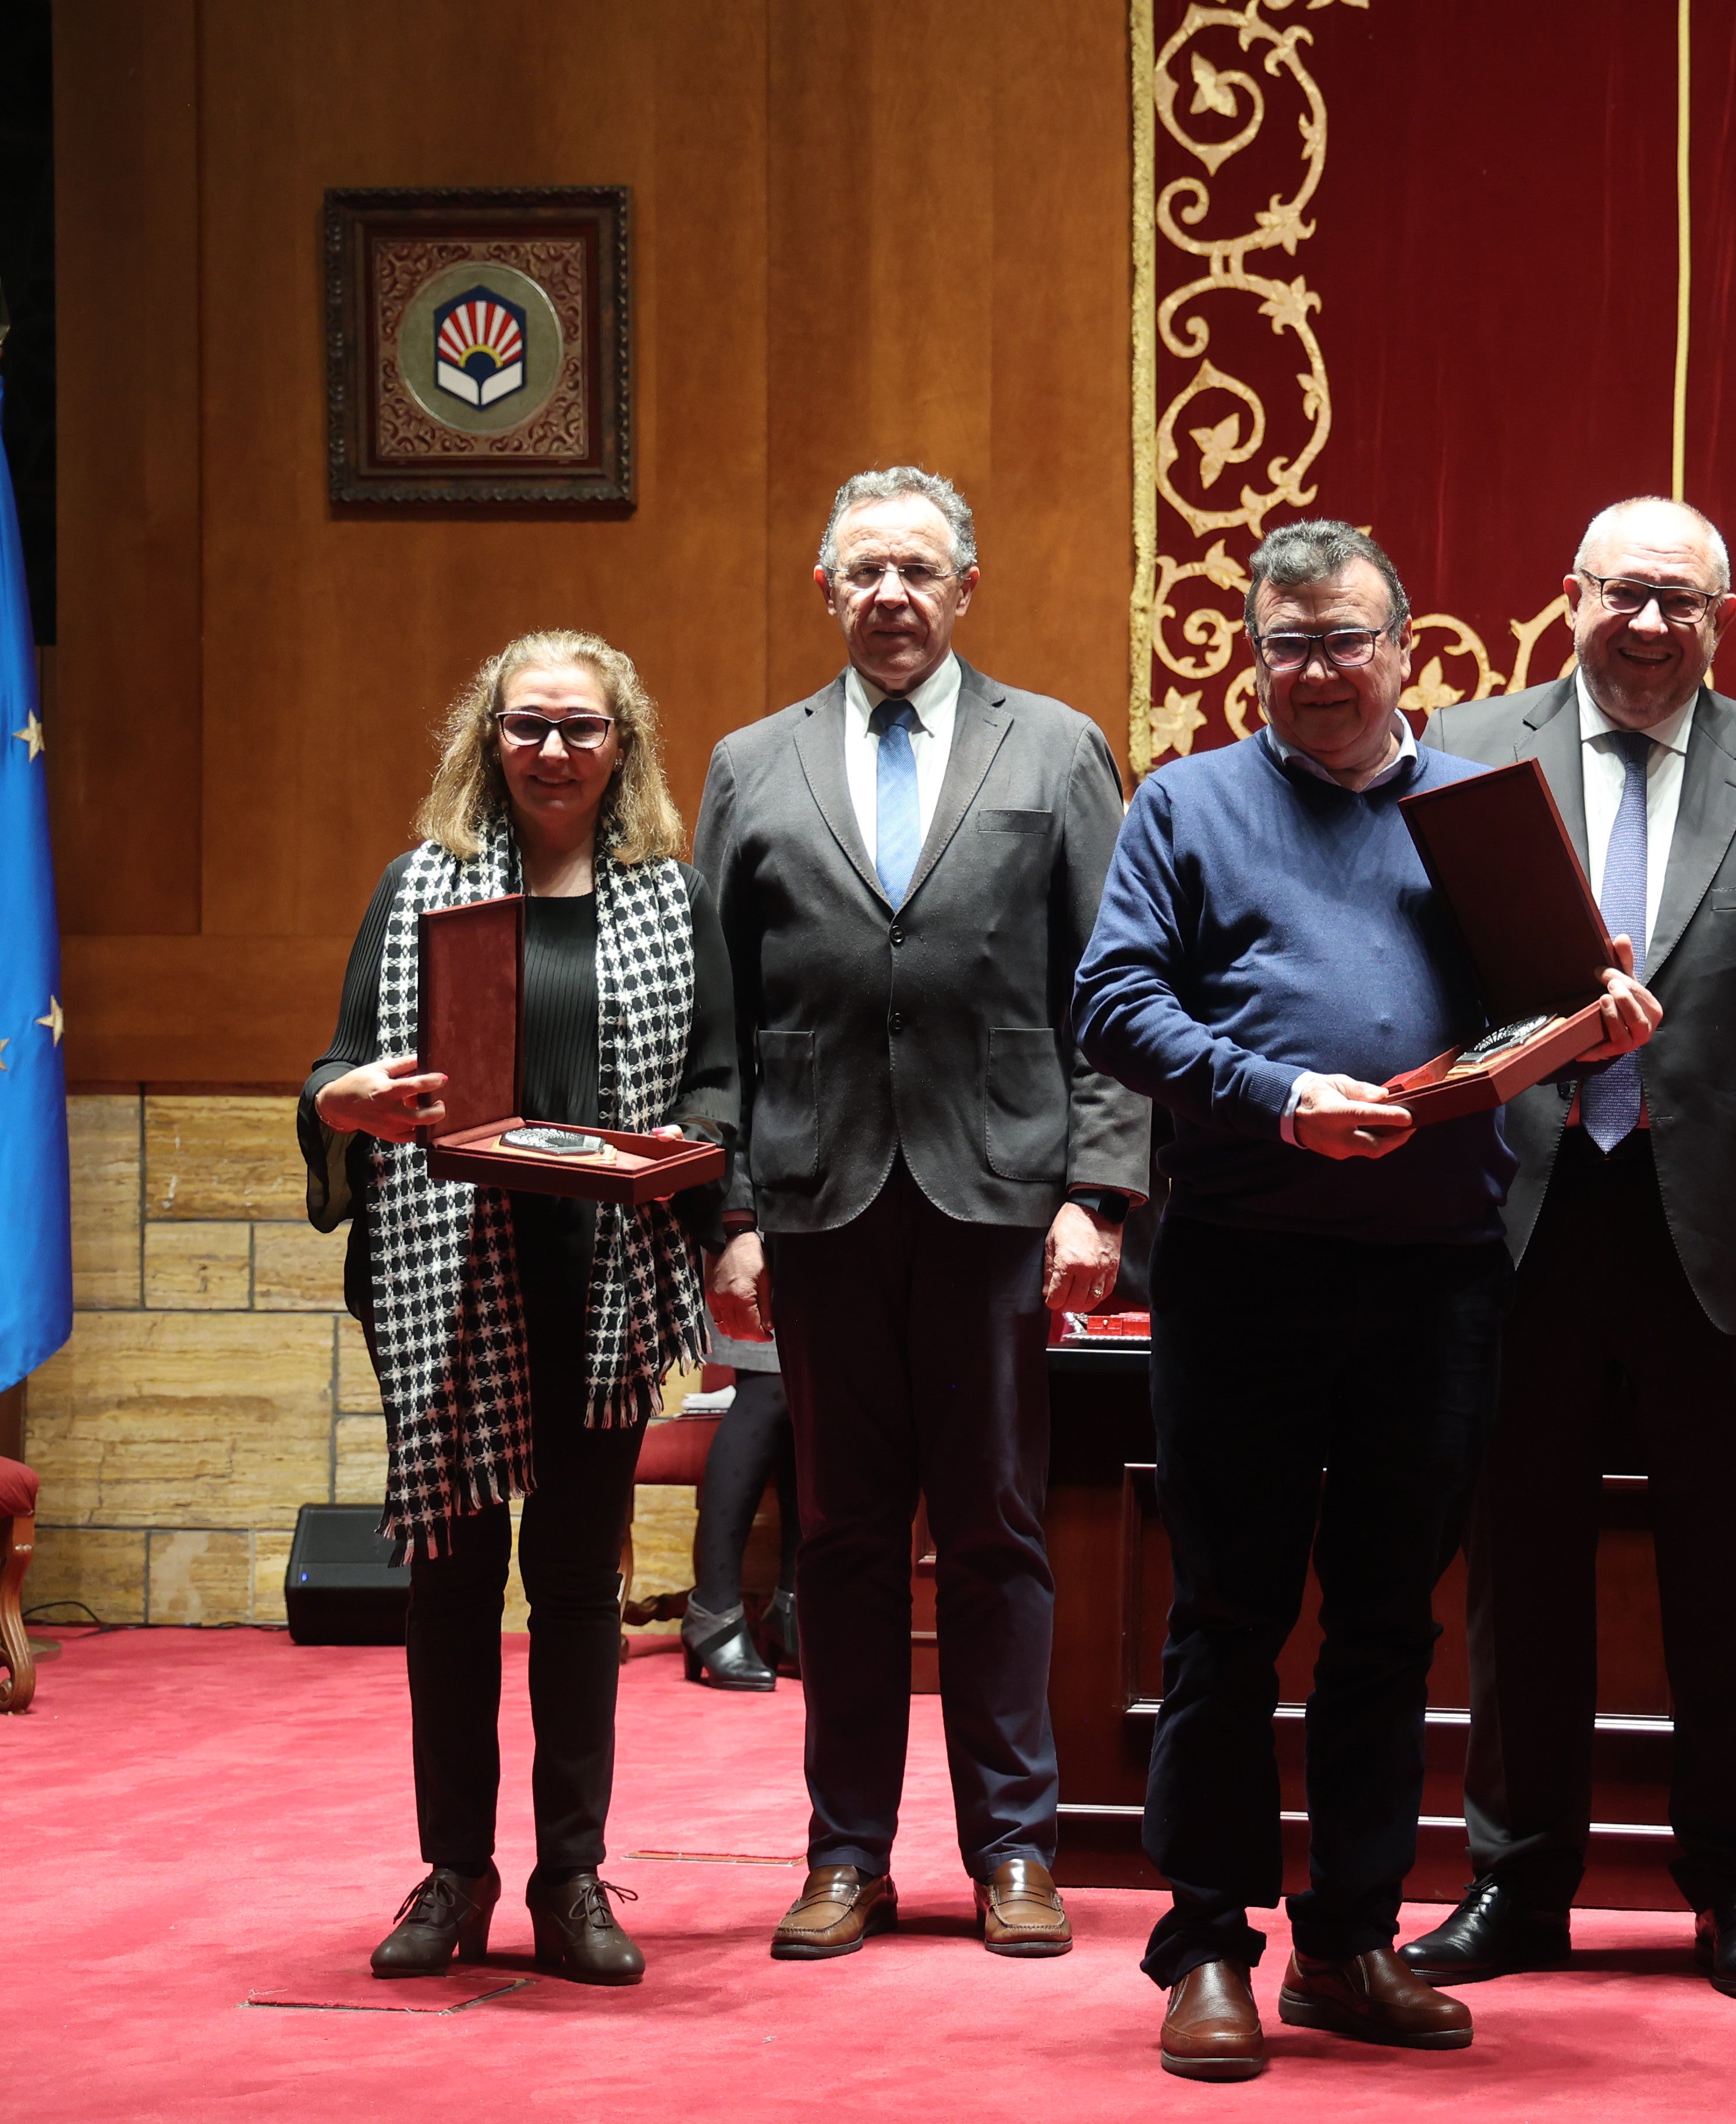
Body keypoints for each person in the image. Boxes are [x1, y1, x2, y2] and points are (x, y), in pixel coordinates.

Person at [1073, 518, 1660, 2082]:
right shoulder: (1185, 805)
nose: (1317, 671)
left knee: (1391, 1625)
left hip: (1439, 1280)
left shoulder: (1476, 813)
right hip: (1247, 1269)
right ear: (1250, 656)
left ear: (1410, 650)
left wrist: (1596, 1023)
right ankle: (1206, 1945)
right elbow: (1112, 1003)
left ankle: (1348, 1939)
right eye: (1287, 644)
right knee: (1228, 1617)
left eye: (1344, 640)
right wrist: (1272, 1095)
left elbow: (1549, 1006)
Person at [1406, 498, 1736, 2003]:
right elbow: (1417, 979)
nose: (1653, 625)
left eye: (1684, 602)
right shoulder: (1470, 750)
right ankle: (1518, 1881)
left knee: (1735, 1577)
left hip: (1722, 1239)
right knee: (1519, 1575)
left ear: (1724, 619)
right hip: (1519, 1217)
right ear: (1571, 598)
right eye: (1627, 595)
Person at [692, 465, 1150, 1962]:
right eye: (864, 571)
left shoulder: (1059, 747)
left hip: (996, 1198)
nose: (892, 594)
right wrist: (732, 1214)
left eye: (919, 569)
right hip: (818, 1203)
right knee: (832, 1539)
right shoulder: (751, 765)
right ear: (825, 593)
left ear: (967, 590)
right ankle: (847, 1853)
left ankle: (1015, 1848)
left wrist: (1094, 1192)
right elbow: (724, 1024)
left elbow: (1112, 989)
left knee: (999, 1530)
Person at [303, 629, 737, 1987]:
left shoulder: (674, 898)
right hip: (448, 1285)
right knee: (448, 1587)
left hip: (603, 1284)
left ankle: (571, 1877)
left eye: (581, 729)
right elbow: (336, 1068)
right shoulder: (419, 885)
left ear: (625, 748)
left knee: (574, 1591)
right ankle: (455, 1872)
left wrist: (691, 1163)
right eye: (527, 726)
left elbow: (724, 1080)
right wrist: (344, 1102)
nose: (553, 751)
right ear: (485, 741)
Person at [680, 1321, 798, 1691]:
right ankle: (714, 1610)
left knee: (810, 1398)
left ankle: (794, 1606)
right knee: (769, 1385)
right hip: (762, 1265)